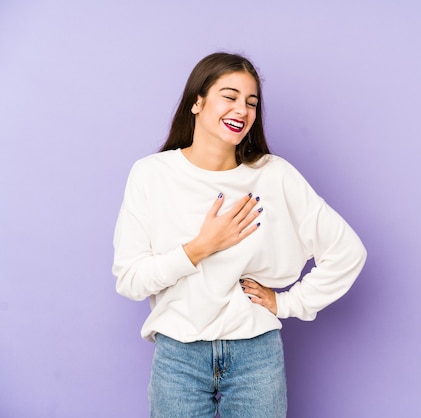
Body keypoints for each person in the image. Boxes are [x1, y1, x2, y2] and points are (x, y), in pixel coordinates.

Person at [112, 52, 367, 417]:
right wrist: (199, 248)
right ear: (197, 102)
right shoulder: (152, 175)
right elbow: (130, 280)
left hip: (255, 355)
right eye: (229, 97)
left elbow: (348, 252)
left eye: (251, 103)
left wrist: (288, 303)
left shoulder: (273, 175)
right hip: (179, 355)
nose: (242, 110)